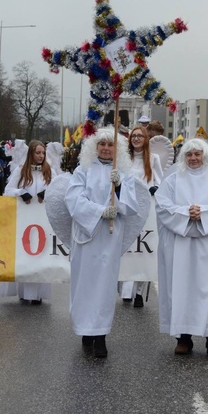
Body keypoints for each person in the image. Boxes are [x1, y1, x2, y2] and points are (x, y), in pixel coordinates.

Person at [155, 138, 208, 356]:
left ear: (205, 156)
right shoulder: (173, 181)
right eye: (189, 154)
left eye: (197, 154)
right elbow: (162, 205)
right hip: (180, 244)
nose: (193, 158)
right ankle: (183, 338)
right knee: (181, 288)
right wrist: (186, 213)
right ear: (184, 157)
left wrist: (204, 213)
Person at [66, 128, 141, 358]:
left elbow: (131, 207)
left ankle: (100, 335)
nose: (106, 148)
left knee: (104, 285)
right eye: (102, 144)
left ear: (117, 149)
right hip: (87, 236)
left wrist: (118, 188)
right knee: (85, 283)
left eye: (110, 145)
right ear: (95, 147)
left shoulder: (123, 174)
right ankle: (85, 332)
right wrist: (100, 211)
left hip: (109, 238)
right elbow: (73, 200)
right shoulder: (83, 170)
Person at [1, 140, 56, 304]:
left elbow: (61, 191)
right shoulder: (21, 171)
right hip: (25, 221)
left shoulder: (50, 171)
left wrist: (48, 193)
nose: (40, 156)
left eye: (43, 153)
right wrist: (21, 192)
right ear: (31, 153)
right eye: (37, 153)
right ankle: (25, 292)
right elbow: (7, 191)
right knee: (26, 254)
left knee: (41, 254)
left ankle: (38, 293)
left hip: (43, 221)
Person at [118, 126, 163, 307]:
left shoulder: (153, 159)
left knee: (143, 249)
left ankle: (138, 291)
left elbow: (160, 180)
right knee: (127, 248)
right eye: (133, 136)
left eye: (140, 136)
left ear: (145, 139)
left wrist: (155, 188)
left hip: (145, 209)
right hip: (127, 208)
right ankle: (125, 288)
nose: (136, 139)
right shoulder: (123, 158)